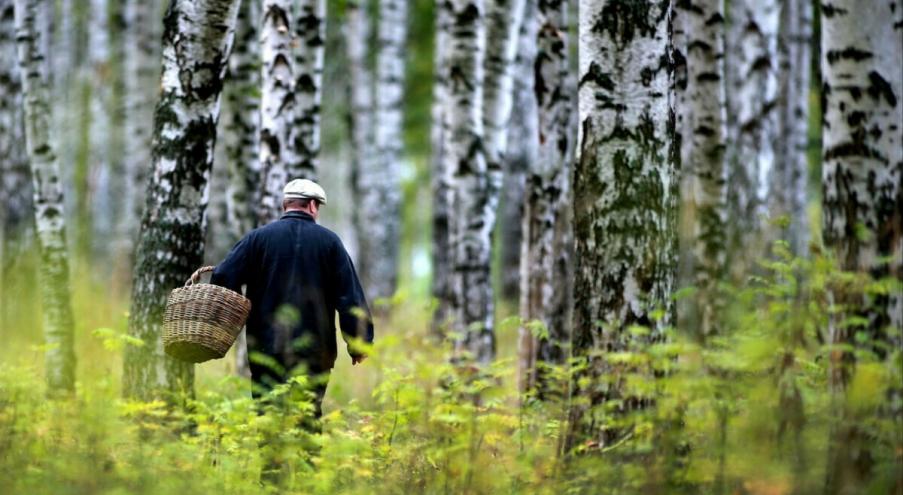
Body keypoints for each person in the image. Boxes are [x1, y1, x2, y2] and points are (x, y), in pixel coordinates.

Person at [211, 179, 373, 418]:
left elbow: (223, 276)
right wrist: (359, 342)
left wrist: (228, 318)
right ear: (312, 206)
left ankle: (270, 456)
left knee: (267, 415)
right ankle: (305, 455)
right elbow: (349, 297)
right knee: (307, 416)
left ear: (285, 205)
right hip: (315, 351)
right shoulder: (330, 242)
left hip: (265, 347)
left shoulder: (257, 239)